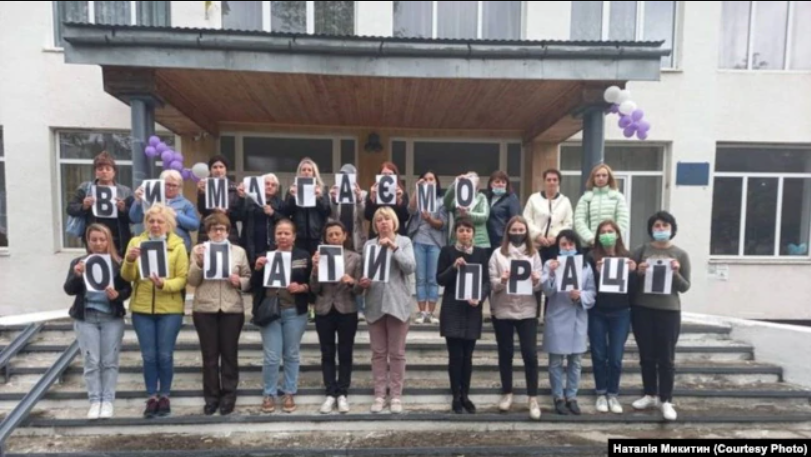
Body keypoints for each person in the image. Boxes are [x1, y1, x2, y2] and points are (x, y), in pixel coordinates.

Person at [121, 204, 188, 419]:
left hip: (170, 308)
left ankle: (165, 395)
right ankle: (151, 396)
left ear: (169, 224)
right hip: (142, 307)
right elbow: (127, 276)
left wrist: (164, 285)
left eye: (160, 221)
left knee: (165, 355)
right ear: (146, 223)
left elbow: (182, 279)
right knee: (149, 356)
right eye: (152, 221)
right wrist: (130, 260)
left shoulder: (178, 245)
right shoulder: (136, 242)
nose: (156, 225)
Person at [64, 224, 132, 420]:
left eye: (102, 240)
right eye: (94, 239)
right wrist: (77, 274)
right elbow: (69, 289)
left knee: (109, 361)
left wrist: (117, 295)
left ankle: (108, 400)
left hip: (111, 318)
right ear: (88, 241)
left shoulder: (117, 263)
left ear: (108, 241)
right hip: (86, 317)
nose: (98, 243)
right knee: (91, 360)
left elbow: (127, 290)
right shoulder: (79, 262)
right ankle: (95, 401)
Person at [187, 213, 252, 416]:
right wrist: (199, 263)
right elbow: (192, 280)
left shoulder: (238, 252)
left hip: (232, 308)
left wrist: (239, 281)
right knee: (210, 356)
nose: (218, 232)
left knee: (230, 355)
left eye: (222, 228)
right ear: (207, 232)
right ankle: (211, 397)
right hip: (205, 308)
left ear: (228, 231)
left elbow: (248, 278)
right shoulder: (198, 250)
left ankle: (229, 396)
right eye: (214, 229)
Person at [630, 211, 691, 422]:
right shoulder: (640, 251)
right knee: (646, 355)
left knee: (666, 357)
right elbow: (629, 282)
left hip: (669, 311)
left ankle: (666, 399)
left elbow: (685, 287)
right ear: (651, 229)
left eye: (665, 225)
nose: (661, 229)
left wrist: (676, 273)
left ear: (672, 229)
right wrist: (637, 271)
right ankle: (649, 394)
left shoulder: (680, 255)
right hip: (642, 308)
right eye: (657, 226)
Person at [357, 207, 416, 414]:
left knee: (397, 353)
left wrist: (393, 247)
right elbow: (366, 272)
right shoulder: (368, 245)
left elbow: (410, 267)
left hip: (397, 303)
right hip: (374, 303)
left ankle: (396, 395)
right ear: (375, 224)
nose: (383, 223)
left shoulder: (404, 242)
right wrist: (363, 281)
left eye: (387, 219)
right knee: (378, 353)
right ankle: (380, 394)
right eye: (379, 220)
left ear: (394, 222)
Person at [251, 218, 312, 414]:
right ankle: (269, 393)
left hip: (295, 311)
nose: (283, 236)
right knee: (271, 356)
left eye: (287, 233)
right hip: (270, 311)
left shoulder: (303, 256)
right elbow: (253, 286)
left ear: (294, 236)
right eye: (279, 233)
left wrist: (302, 287)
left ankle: (289, 391)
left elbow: (315, 285)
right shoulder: (265, 255)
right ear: (274, 236)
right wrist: (258, 269)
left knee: (291, 353)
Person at [488, 216, 543, 420]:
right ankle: (507, 393)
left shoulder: (534, 254)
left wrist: (537, 281)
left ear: (526, 232)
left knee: (530, 354)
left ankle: (532, 397)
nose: (518, 233)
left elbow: (540, 285)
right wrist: (502, 280)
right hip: (503, 309)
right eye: (515, 229)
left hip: (527, 310)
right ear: (508, 232)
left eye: (521, 230)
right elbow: (492, 283)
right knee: (505, 353)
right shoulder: (497, 254)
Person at [435, 217, 490, 414]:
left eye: (468, 230)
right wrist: (453, 267)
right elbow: (440, 279)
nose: (464, 233)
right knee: (455, 355)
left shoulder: (481, 253)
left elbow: (486, 282)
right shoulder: (447, 251)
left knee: (468, 356)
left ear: (473, 233)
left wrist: (480, 298)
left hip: (472, 309)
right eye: (461, 230)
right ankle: (456, 395)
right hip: (452, 307)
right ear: (455, 233)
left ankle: (466, 394)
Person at [542, 229, 597, 416]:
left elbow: (592, 292)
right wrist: (550, 273)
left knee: (576, 361)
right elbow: (546, 291)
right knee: (556, 362)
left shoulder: (586, 267)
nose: (567, 247)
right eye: (563, 244)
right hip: (557, 316)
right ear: (558, 246)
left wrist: (580, 296)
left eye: (571, 244)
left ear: (576, 245)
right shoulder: (551, 264)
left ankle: (572, 397)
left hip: (577, 316)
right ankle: (558, 396)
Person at [310, 221, 363, 414]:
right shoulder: (319, 257)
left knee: (346, 352)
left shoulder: (355, 258)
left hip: (346, 309)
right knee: (327, 353)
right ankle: (330, 392)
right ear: (325, 238)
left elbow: (359, 290)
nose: (334, 238)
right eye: (330, 235)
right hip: (324, 309)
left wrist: (351, 282)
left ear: (345, 235)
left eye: (337, 234)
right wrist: (315, 269)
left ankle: (343, 393)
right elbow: (314, 289)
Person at [587, 220, 637, 415]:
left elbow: (633, 290)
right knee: (599, 354)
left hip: (621, 312)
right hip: (597, 311)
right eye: (603, 232)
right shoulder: (591, 257)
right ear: (599, 236)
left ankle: (613, 393)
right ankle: (601, 392)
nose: (607, 234)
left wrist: (633, 273)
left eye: (610, 231)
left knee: (615, 356)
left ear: (617, 234)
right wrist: (597, 273)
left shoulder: (628, 257)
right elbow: (588, 285)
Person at [67, 151, 134, 256]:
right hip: (94, 240)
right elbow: (70, 208)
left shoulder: (125, 191)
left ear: (114, 172)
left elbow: (134, 217)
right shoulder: (85, 188)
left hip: (119, 240)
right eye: (100, 169)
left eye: (108, 169)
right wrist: (84, 206)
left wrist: (123, 209)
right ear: (95, 172)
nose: (104, 172)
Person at [407, 170, 448, 325]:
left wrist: (430, 219)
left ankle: (430, 313)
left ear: (436, 182)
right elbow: (410, 210)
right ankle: (421, 311)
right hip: (418, 240)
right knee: (420, 278)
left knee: (432, 279)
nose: (428, 181)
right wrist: (416, 191)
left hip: (435, 243)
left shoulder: (441, 201)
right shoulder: (419, 199)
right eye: (425, 179)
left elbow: (442, 224)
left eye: (431, 179)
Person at [329, 164, 368, 321]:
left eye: (349, 175)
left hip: (356, 239)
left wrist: (358, 199)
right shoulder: (336, 193)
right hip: (339, 239)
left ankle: (360, 308)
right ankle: (338, 305)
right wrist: (332, 199)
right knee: (340, 272)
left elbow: (364, 215)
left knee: (358, 274)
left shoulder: (362, 194)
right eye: (343, 174)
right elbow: (331, 215)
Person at [131, 170, 199, 253]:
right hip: (153, 244)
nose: (171, 188)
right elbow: (134, 218)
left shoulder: (185, 204)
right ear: (161, 184)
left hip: (179, 247)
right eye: (168, 184)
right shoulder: (150, 198)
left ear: (180, 187)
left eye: (174, 185)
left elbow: (194, 225)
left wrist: (175, 215)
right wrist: (138, 201)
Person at [524, 169, 573, 263]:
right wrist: (537, 235)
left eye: (555, 180)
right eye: (549, 179)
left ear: (559, 182)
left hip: (555, 246)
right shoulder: (533, 198)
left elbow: (568, 223)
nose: (552, 182)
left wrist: (555, 236)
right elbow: (527, 219)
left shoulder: (565, 201)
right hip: (536, 245)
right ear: (544, 181)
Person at [237, 173, 287, 267]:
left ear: (277, 189)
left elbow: (287, 222)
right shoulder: (249, 200)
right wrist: (241, 199)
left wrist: (273, 213)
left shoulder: (281, 204)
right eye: (267, 184)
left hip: (273, 247)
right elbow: (239, 216)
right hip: (252, 246)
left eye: (273, 185)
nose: (270, 186)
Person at [574, 164, 629, 248]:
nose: (601, 178)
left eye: (604, 175)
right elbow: (579, 221)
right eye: (597, 175)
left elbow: (623, 221)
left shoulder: (618, 197)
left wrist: (612, 238)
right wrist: (591, 239)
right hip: (591, 245)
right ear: (593, 178)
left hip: (613, 246)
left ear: (609, 177)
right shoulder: (585, 199)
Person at [284, 158, 331, 255]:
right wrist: (293, 197)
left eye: (309, 170)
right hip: (299, 236)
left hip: (317, 235)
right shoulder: (292, 189)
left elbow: (327, 211)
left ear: (314, 173)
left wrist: (319, 198)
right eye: (304, 170)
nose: (306, 172)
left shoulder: (322, 189)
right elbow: (286, 213)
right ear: (299, 172)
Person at [196, 155, 242, 245]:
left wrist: (227, 212)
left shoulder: (235, 188)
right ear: (210, 170)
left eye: (221, 167)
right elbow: (201, 209)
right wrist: (202, 194)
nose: (218, 170)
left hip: (229, 231)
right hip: (207, 230)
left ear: (226, 169)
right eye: (215, 167)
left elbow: (239, 214)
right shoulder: (204, 185)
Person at [444, 172, 490, 249]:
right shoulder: (457, 198)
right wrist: (455, 184)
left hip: (479, 241)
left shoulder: (481, 197)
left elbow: (484, 216)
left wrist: (467, 214)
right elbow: (447, 203)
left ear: (477, 187)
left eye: (472, 183)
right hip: (457, 241)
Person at [364, 162, 410, 238]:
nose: (387, 177)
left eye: (390, 174)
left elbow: (405, 217)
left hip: (397, 235)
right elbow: (367, 216)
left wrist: (399, 200)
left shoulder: (402, 193)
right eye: (384, 174)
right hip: (377, 235)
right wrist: (372, 198)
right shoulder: (373, 192)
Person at [485, 171, 521, 255]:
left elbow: (514, 220)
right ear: (491, 184)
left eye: (503, 182)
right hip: (488, 240)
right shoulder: (487, 198)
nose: (500, 184)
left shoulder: (511, 198)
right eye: (497, 182)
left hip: (502, 241)